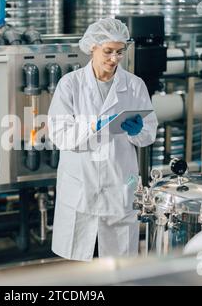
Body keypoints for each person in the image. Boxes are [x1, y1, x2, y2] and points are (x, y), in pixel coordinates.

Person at [47, 18, 158, 261]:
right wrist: (93, 126)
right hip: (81, 186)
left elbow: (149, 133)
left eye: (120, 52)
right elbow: (59, 134)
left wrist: (137, 130)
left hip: (119, 185)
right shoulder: (70, 85)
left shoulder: (135, 86)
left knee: (117, 268)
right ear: (92, 48)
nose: (114, 59)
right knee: (79, 266)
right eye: (108, 51)